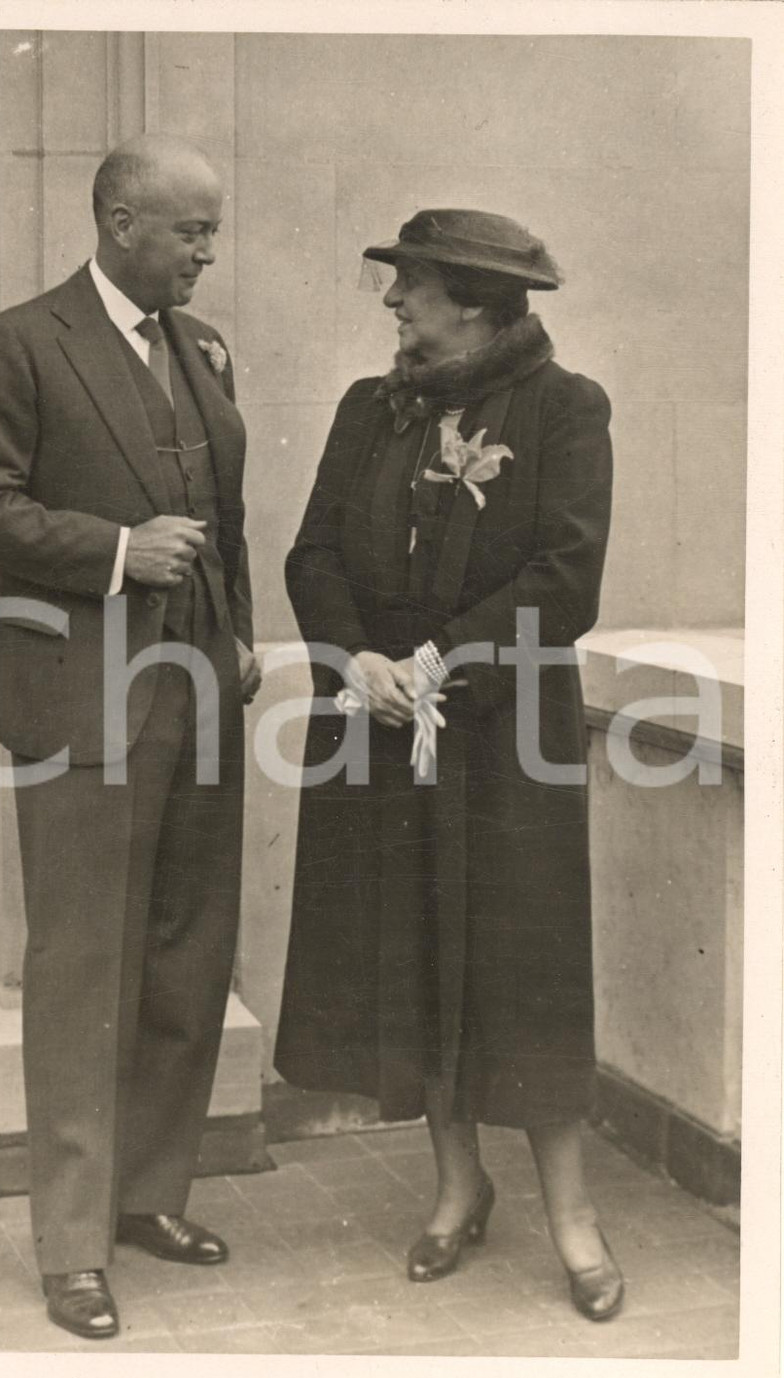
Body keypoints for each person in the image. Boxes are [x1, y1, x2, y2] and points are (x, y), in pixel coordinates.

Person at [274, 209, 623, 1321]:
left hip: (504, 735)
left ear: (471, 300)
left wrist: (438, 663)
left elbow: (564, 582)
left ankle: (572, 1217)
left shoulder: (565, 411)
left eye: (408, 288)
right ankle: (455, 1184)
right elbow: (313, 551)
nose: (391, 306)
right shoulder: (368, 411)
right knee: (414, 949)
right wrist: (356, 658)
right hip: (381, 727)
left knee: (527, 967)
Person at [0, 135, 260, 1340]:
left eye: (211, 230)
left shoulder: (205, 347)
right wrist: (122, 553)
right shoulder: (22, 342)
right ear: (123, 223)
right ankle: (71, 1248)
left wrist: (242, 637)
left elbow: (228, 518)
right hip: (82, 700)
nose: (207, 251)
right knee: (83, 974)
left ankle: (148, 1198)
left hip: (199, 695)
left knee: (185, 951)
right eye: (191, 231)